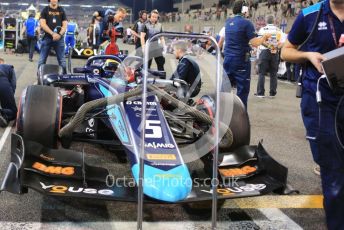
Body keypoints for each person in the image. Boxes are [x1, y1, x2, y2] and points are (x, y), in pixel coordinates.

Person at [281, 0, 344, 229]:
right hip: (321, 99)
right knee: (332, 166)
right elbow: (285, 51)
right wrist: (308, 55)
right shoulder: (310, 15)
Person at [223, 0, 270, 108]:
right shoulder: (246, 23)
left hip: (228, 59)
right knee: (242, 91)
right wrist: (264, 38)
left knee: (225, 88)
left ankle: (221, 113)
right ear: (244, 9)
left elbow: (239, 39)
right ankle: (240, 117)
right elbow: (255, 43)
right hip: (240, 61)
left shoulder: (228, 22)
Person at [256, 15, 284, 98]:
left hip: (264, 51)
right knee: (273, 73)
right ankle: (272, 93)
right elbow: (282, 43)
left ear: (266, 21)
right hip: (275, 52)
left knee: (262, 73)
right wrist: (275, 47)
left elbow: (260, 41)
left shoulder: (263, 29)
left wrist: (269, 46)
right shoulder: (279, 30)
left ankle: (260, 93)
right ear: (274, 21)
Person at [38, 0, 68, 73]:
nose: (54, 0)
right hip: (47, 38)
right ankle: (39, 77)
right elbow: (42, 24)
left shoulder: (61, 10)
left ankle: (64, 78)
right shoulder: (45, 10)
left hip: (59, 39)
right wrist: (52, 33)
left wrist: (60, 34)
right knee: (42, 60)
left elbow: (65, 25)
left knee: (62, 60)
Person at [0, 58, 17, 127]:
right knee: (13, 111)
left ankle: (4, 116)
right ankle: (5, 114)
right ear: (2, 62)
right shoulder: (8, 66)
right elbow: (13, 84)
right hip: (2, 80)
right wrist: (10, 96)